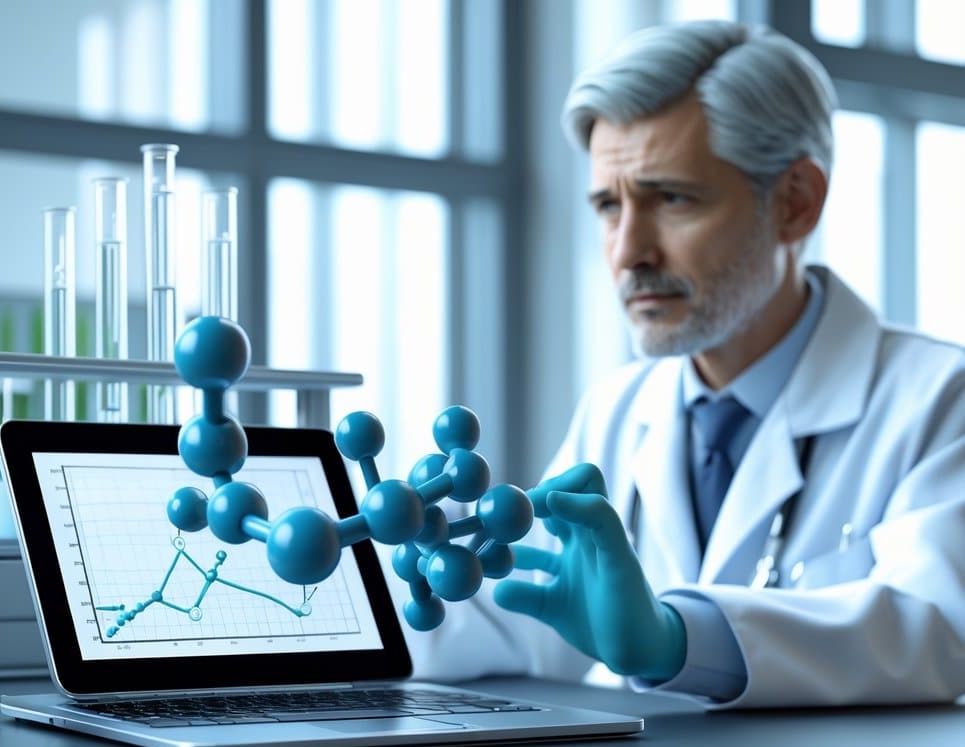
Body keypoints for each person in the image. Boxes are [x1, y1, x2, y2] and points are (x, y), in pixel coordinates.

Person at [396, 19, 965, 708]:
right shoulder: (620, 407)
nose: (628, 251)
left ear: (794, 204)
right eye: (609, 205)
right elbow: (527, 613)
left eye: (671, 198)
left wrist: (676, 638)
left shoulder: (937, 399)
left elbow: (936, 627)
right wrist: (376, 586)